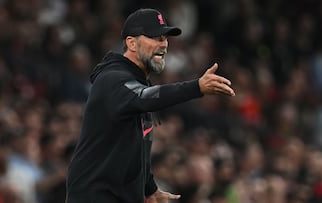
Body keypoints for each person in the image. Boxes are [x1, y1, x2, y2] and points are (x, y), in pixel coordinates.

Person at [65, 8, 235, 203]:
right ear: (132, 43)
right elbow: (145, 97)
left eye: (165, 38)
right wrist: (196, 87)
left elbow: (139, 148)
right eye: (155, 37)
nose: (163, 44)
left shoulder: (137, 84)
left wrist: (149, 188)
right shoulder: (112, 79)